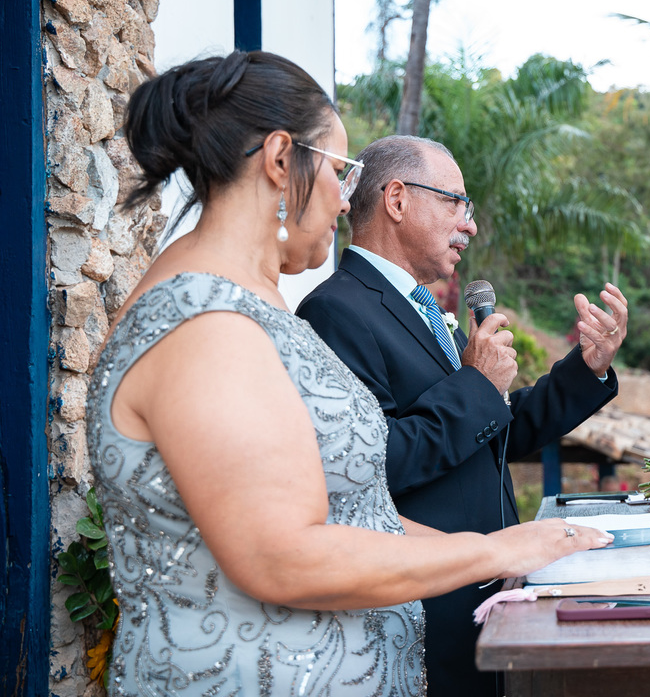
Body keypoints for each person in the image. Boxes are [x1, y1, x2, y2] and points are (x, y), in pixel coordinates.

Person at [87, 51, 612, 696]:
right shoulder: (203, 323)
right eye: (341, 170)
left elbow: (356, 512)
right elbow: (281, 556)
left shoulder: (253, 305)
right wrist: (498, 551)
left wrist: (518, 543)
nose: (346, 196)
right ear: (282, 160)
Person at [295, 134, 626, 696]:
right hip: (424, 603)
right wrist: (475, 384)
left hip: (486, 585)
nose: (469, 224)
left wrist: (586, 369)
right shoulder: (334, 310)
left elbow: (489, 433)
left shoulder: (426, 308)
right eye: (456, 203)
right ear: (397, 200)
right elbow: (377, 463)